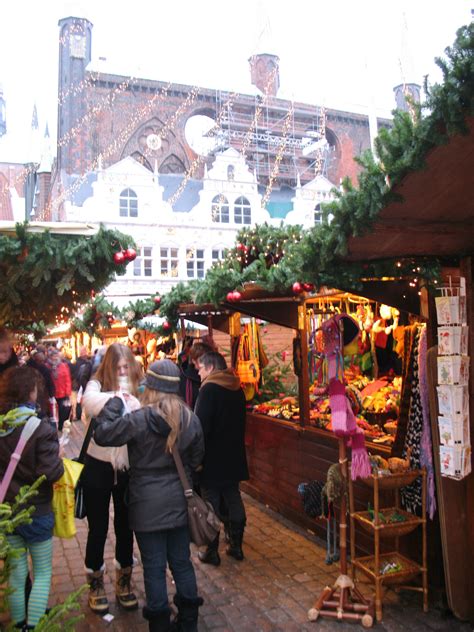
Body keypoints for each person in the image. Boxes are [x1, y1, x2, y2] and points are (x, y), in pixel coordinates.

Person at [94, 359, 205, 632]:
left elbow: (102, 434)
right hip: (180, 500)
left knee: (154, 567)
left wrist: (115, 404)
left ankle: (159, 625)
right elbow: (197, 458)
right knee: (181, 561)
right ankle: (189, 622)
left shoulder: (139, 419)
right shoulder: (190, 418)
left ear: (151, 385)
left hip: (145, 505)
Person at [80, 343, 143, 614]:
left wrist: (132, 400)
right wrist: (119, 399)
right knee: (98, 527)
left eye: (125, 366)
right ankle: (95, 582)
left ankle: (124, 581)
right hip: (97, 465)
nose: (122, 370)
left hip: (126, 467)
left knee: (125, 526)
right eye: (117, 366)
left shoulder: (139, 385)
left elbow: (145, 411)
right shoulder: (95, 385)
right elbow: (89, 404)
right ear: (109, 366)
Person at [0, 366, 64, 630]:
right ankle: (34, 626)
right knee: (42, 573)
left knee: (15, 573)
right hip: (37, 511)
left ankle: (17, 625)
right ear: (31, 391)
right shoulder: (40, 428)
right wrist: (59, 461)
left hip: (7, 511)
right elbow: (51, 473)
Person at [194, 351, 249, 566]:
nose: (198, 372)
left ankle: (211, 550)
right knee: (233, 496)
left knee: (211, 503)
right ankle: (236, 545)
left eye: (200, 368)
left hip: (212, 459)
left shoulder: (208, 390)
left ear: (209, 368)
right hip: (233, 456)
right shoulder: (237, 389)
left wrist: (197, 458)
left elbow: (200, 429)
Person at [178, 342, 213, 410]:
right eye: (203, 359)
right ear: (194, 360)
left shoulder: (211, 374)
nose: (207, 361)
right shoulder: (184, 379)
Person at [48, 349, 72, 432]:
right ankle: (53, 426)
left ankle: (61, 426)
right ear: (50, 357)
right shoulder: (47, 366)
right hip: (52, 393)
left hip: (62, 392)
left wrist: (68, 392)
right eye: (53, 356)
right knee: (53, 411)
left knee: (64, 410)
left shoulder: (64, 365)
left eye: (56, 356)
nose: (55, 358)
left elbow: (67, 379)